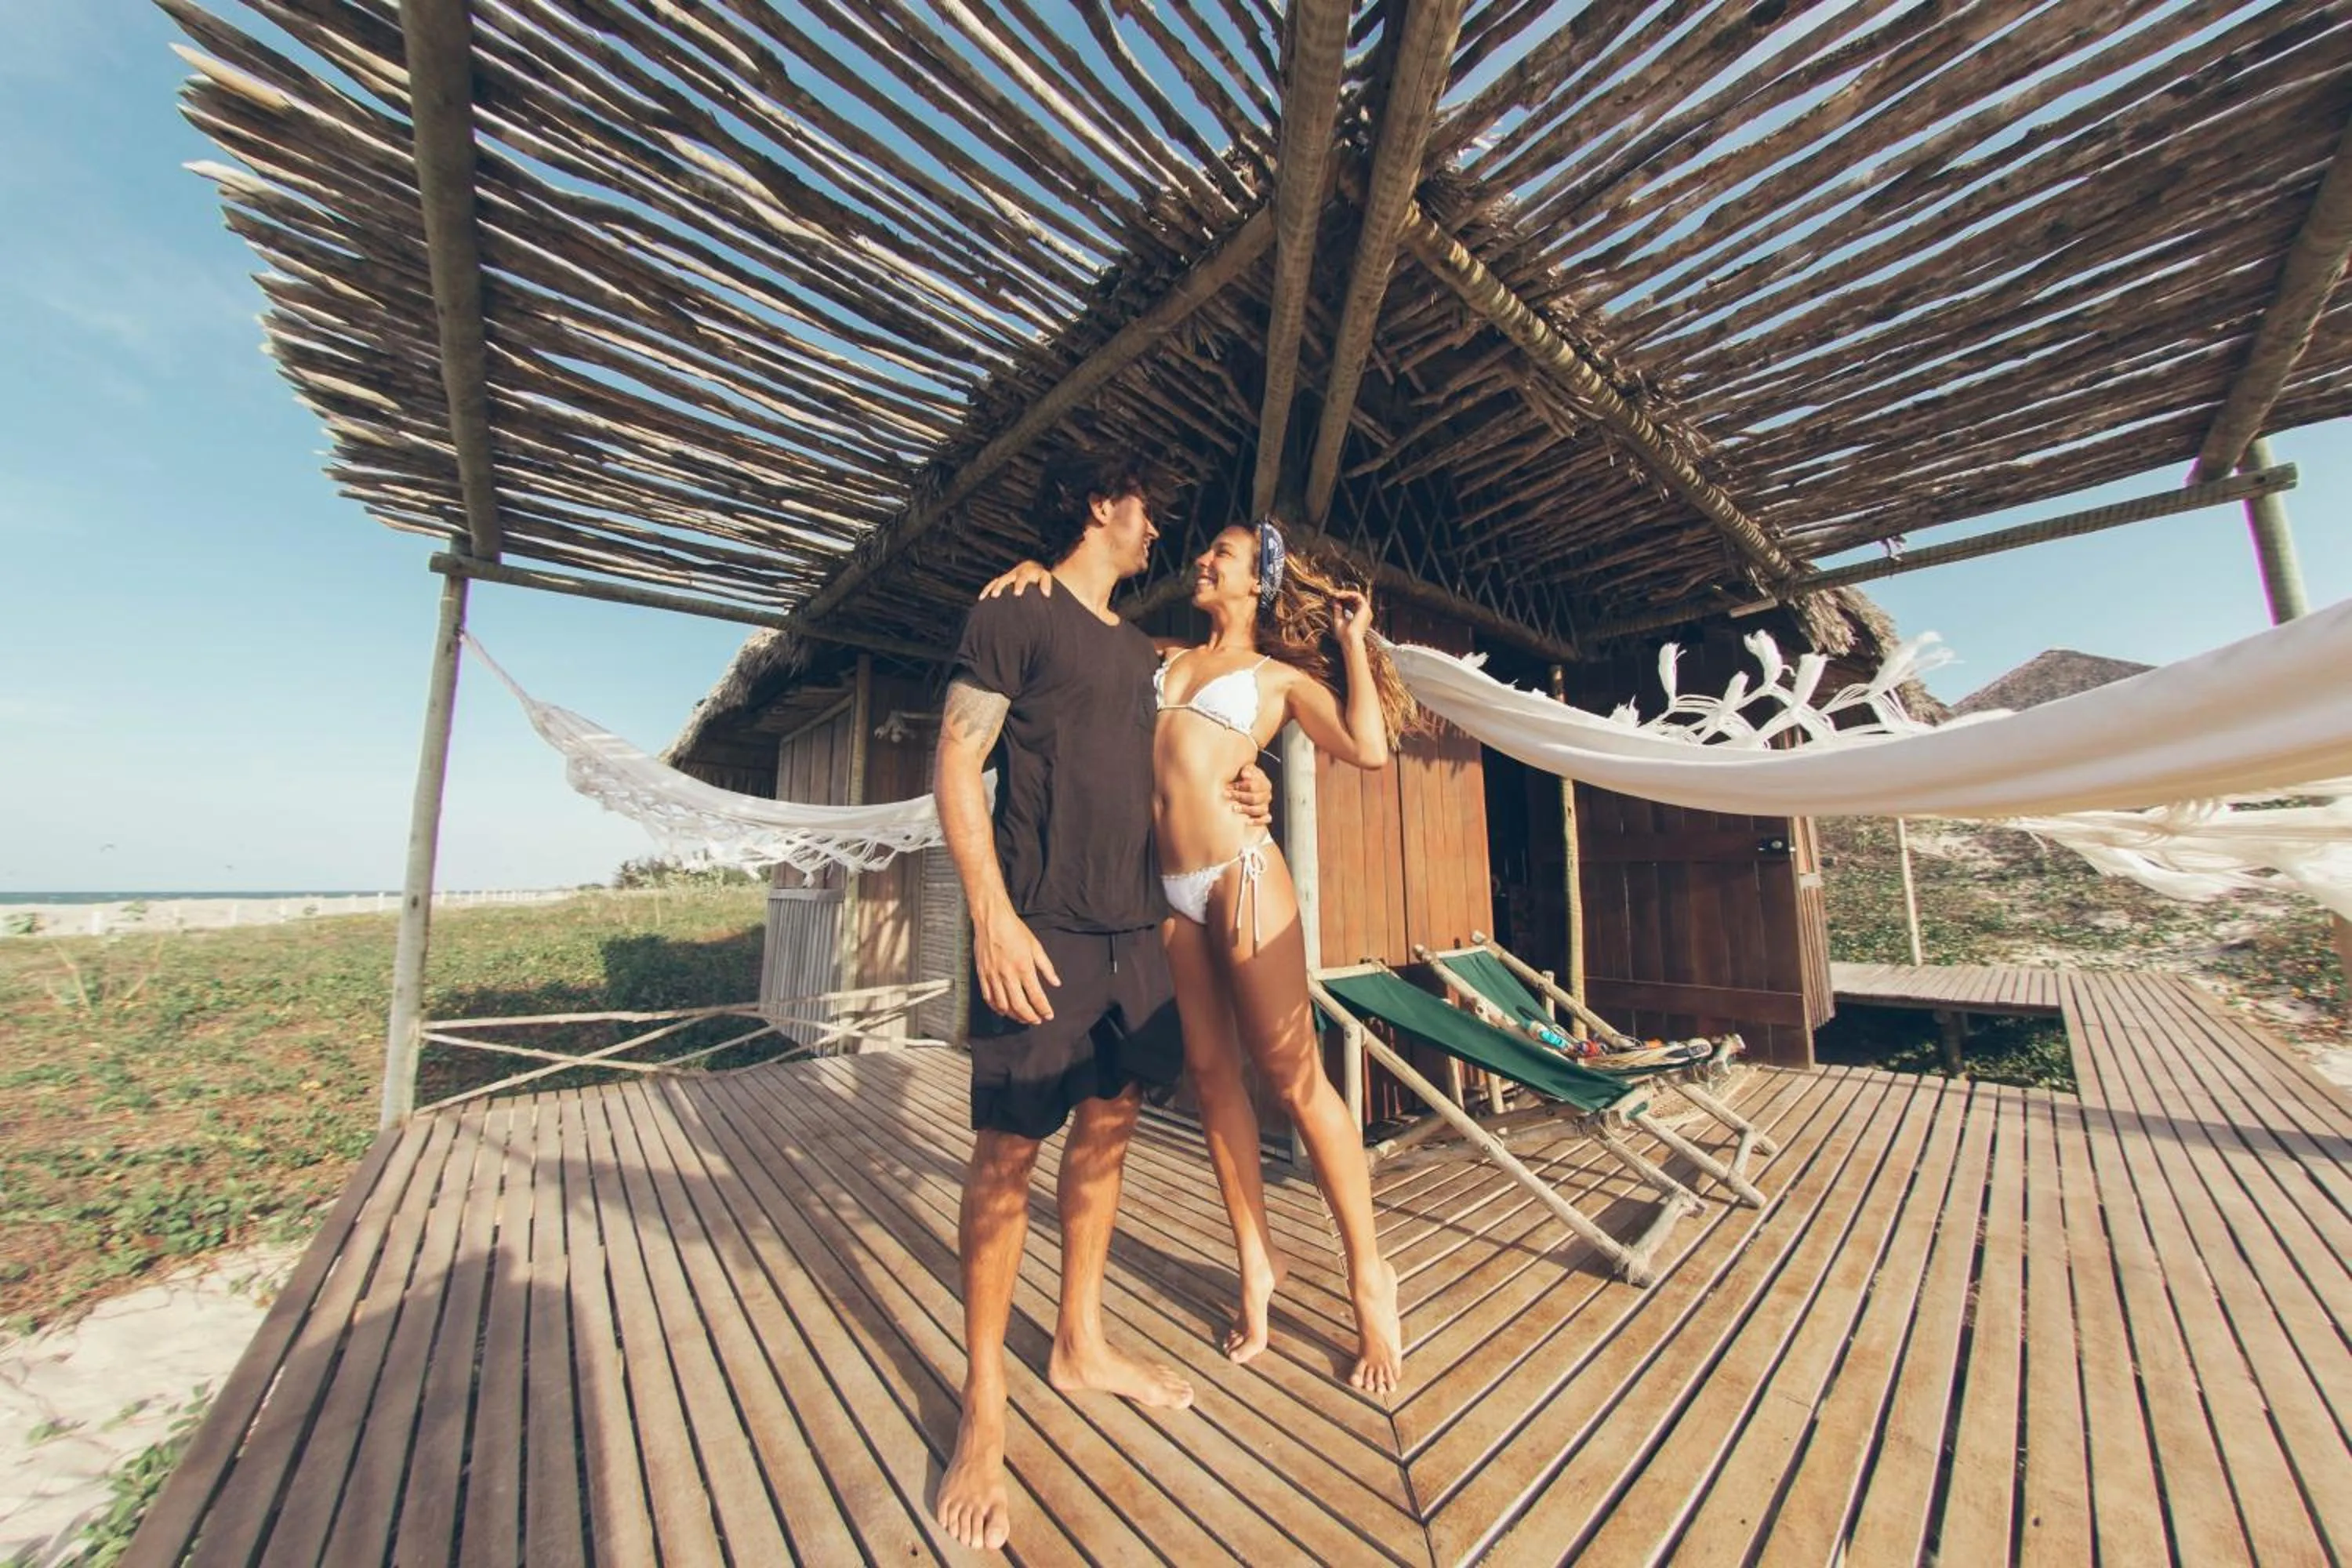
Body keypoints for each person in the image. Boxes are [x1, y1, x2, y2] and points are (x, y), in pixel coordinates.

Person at [982, 516, 1418, 1397]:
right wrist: (1038, 567)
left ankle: (1371, 1274)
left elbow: (1368, 749)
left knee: (1293, 1079)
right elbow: (1084, 625)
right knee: (1214, 1080)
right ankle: (1257, 1261)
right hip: (1162, 890)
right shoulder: (1159, 656)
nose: (1201, 560)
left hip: (1240, 873)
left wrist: (1354, 641)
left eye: (1219, 553)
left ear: (1255, 579)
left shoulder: (1278, 678)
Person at [931, 452, 1270, 1554]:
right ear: (1098, 505)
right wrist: (990, 914)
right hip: (1043, 924)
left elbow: (1206, 719)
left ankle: (1079, 1342)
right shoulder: (1012, 613)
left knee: (1110, 1131)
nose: (1158, 529)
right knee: (1006, 1157)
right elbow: (956, 761)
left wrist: (1248, 779)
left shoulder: (1141, 654)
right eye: (1149, 508)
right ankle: (984, 1406)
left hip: (1137, 934)